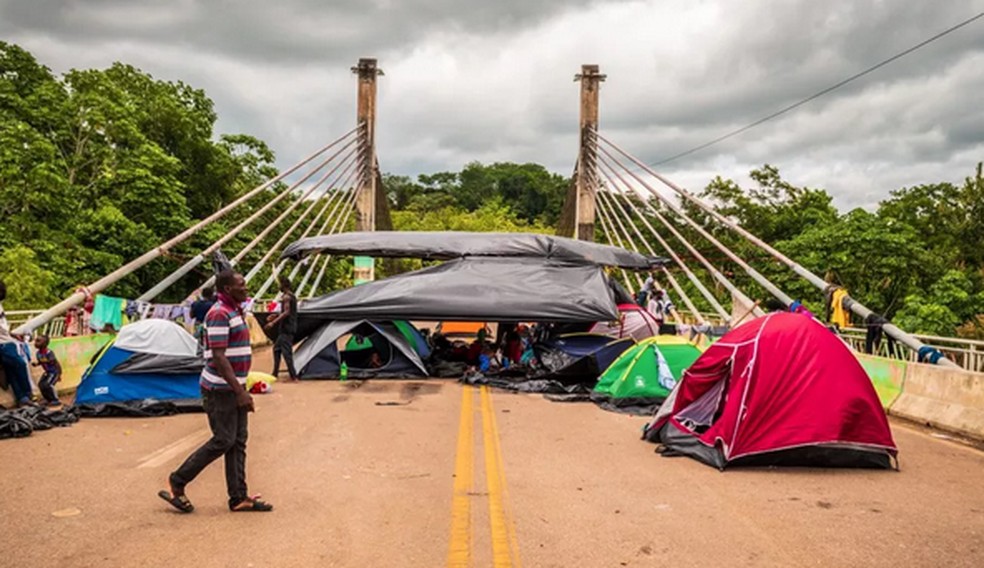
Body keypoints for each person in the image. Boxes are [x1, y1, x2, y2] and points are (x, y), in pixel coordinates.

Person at [158, 270, 272, 513]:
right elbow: (218, 356)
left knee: (238, 441)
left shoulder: (235, 311)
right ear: (228, 289)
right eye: (242, 285)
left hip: (234, 386)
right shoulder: (219, 313)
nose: (247, 289)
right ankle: (177, 481)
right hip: (220, 389)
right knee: (224, 439)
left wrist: (242, 387)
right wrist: (239, 392)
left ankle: (238, 497)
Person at [0, 280, 35, 407]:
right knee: (19, 365)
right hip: (4, 343)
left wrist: (11, 334)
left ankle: (22, 397)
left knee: (12, 369)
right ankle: (26, 394)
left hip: (5, 340)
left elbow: (3, 326)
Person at [264, 276, 298, 381]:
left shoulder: (286, 297)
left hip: (286, 328)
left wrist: (273, 323)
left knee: (286, 353)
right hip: (289, 327)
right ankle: (275, 373)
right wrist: (275, 315)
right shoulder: (291, 296)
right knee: (277, 349)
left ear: (283, 285)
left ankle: (293, 376)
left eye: (280, 284)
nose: (279, 286)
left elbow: (287, 312)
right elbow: (287, 311)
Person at [32, 333, 62, 406]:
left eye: (38, 341)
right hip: (47, 372)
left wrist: (59, 374)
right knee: (41, 385)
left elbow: (53, 361)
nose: (35, 343)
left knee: (49, 385)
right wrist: (37, 364)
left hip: (54, 372)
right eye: (36, 341)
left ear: (45, 343)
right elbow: (41, 361)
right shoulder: (38, 353)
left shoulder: (49, 352)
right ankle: (48, 399)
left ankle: (55, 399)